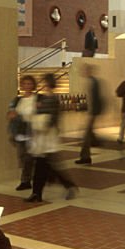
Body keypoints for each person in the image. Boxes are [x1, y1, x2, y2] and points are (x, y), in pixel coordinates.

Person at [27, 73, 77, 202]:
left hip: (48, 137)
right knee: (43, 165)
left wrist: (43, 123)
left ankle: (67, 186)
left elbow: (53, 118)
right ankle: (37, 193)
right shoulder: (41, 98)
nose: (43, 85)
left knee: (47, 165)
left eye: (45, 82)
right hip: (40, 136)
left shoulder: (53, 99)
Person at [7, 75, 38, 191]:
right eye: (25, 84)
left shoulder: (37, 99)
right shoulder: (17, 100)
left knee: (29, 157)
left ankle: (27, 179)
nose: (27, 86)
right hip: (20, 131)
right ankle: (26, 179)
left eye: (29, 84)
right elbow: (10, 114)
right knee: (22, 157)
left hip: (32, 131)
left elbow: (36, 115)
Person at [75, 64, 103, 164]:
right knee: (87, 134)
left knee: (86, 136)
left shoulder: (90, 82)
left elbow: (90, 99)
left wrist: (87, 112)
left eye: (84, 70)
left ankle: (85, 157)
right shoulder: (94, 81)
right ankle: (86, 156)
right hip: (93, 112)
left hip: (91, 112)